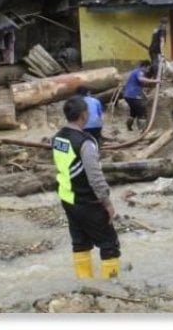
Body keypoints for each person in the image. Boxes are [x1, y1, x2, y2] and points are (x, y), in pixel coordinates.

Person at [52, 96, 121, 280]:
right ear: (83, 115)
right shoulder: (85, 142)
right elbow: (95, 176)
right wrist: (107, 202)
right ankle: (112, 286)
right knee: (109, 244)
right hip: (87, 201)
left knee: (80, 243)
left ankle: (85, 284)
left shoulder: (58, 138)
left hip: (68, 199)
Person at [123, 60, 160, 132]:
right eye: (147, 68)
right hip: (133, 95)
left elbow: (140, 84)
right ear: (144, 66)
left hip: (127, 95)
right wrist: (155, 81)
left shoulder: (135, 72)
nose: (147, 71)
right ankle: (142, 130)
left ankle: (128, 127)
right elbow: (141, 79)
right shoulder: (139, 71)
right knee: (142, 112)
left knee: (133, 112)